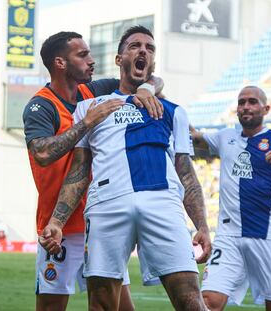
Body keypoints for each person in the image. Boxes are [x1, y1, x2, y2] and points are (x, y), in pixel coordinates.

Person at [39, 26, 212, 311]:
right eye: (134, 46)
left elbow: (186, 171)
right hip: (107, 204)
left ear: (153, 64)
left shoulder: (174, 111)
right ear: (119, 59)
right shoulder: (90, 108)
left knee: (191, 302)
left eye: (150, 48)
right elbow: (80, 169)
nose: (143, 51)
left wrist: (202, 225)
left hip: (163, 203)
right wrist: (57, 222)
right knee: (103, 306)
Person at [23, 31, 164, 311]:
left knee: (119, 306)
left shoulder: (93, 90)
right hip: (60, 224)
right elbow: (41, 154)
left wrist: (148, 88)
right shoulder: (40, 106)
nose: (91, 60)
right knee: (51, 306)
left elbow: (149, 79)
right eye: (83, 55)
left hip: (101, 219)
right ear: (61, 63)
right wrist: (86, 123)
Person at [190, 86, 271, 311]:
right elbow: (193, 137)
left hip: (266, 236)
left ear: (266, 108)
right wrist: (161, 100)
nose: (245, 107)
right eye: (241, 102)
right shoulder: (225, 137)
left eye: (252, 102)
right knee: (208, 302)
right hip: (228, 238)